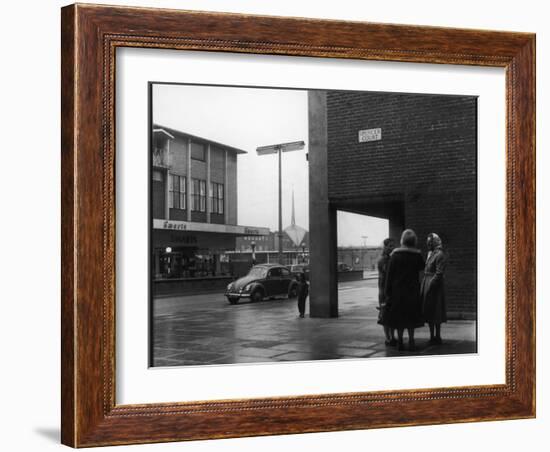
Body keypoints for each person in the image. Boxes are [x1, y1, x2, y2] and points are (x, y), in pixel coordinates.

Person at [384, 229, 425, 351]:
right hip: (412, 291)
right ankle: (411, 341)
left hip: (398, 292)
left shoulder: (395, 255)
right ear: (414, 241)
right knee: (411, 317)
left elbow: (389, 276)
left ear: (402, 240)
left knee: (399, 318)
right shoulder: (417, 255)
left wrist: (387, 292)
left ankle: (400, 341)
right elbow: (422, 268)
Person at [421, 233, 447, 344]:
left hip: (434, 286)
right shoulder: (430, 253)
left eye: (430, 242)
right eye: (427, 242)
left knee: (436, 311)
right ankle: (432, 336)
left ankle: (437, 336)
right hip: (427, 282)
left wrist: (430, 284)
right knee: (430, 311)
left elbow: (439, 272)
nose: (428, 244)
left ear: (435, 242)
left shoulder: (440, 254)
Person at [377, 238, 396, 346]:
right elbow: (382, 280)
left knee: (392, 315)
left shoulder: (392, 259)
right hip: (384, 291)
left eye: (393, 246)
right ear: (385, 247)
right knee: (385, 315)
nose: (391, 248)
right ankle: (388, 338)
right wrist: (382, 294)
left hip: (391, 291)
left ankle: (393, 337)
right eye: (389, 246)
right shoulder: (382, 261)